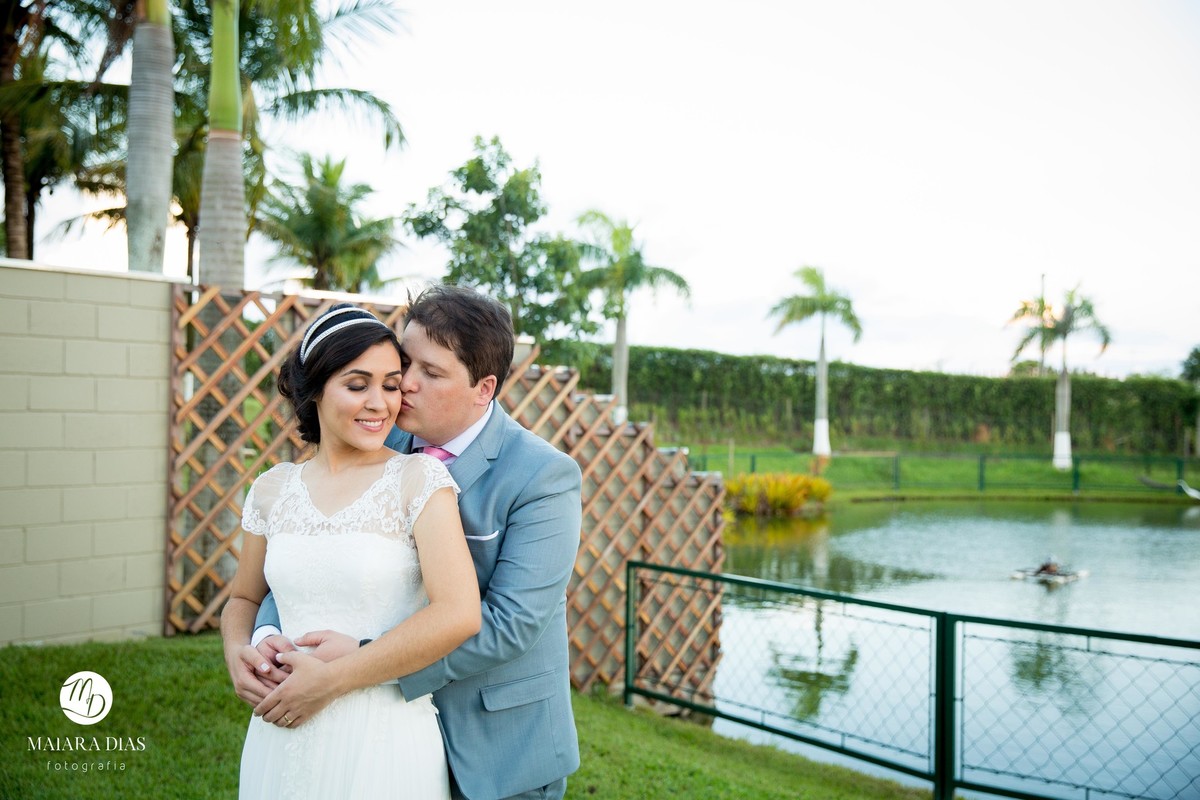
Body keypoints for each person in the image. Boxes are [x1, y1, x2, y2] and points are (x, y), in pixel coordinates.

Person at [233, 285, 584, 800]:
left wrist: (359, 663)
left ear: (484, 388)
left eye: (431, 373)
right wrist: (262, 642)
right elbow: (308, 558)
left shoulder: (544, 476)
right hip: (355, 727)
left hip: (498, 744)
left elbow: (511, 626)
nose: (404, 387)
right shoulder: (375, 437)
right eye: (405, 365)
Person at [221, 303, 482, 799]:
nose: (380, 403)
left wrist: (335, 679)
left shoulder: (419, 480)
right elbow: (243, 600)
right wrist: (238, 652)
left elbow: (459, 613)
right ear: (316, 389)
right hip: (281, 730)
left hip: (382, 736)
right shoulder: (273, 489)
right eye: (357, 385)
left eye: (390, 384)